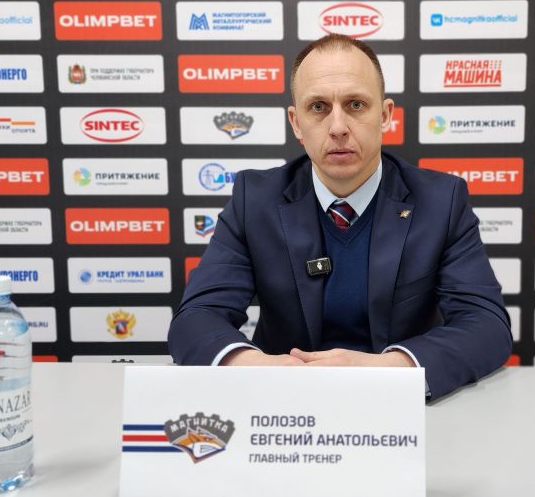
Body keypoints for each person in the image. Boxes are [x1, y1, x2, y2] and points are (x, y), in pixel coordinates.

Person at [168, 34, 511, 399]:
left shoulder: (441, 201)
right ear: (296, 122)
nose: (337, 127)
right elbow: (196, 318)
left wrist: (385, 369)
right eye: (318, 107)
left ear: (384, 115)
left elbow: (486, 325)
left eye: (355, 104)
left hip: (396, 407)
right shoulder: (255, 200)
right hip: (284, 407)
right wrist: (262, 368)